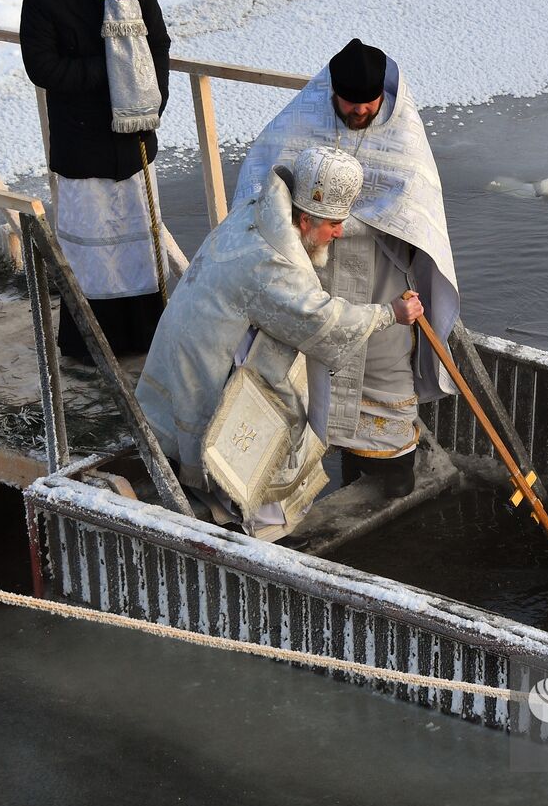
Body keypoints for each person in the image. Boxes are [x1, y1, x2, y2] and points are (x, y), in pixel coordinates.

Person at [137, 146, 424, 538]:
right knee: (270, 421)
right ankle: (255, 523)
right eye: (334, 224)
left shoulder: (261, 209)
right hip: (213, 357)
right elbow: (322, 321)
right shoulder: (277, 260)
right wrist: (390, 313)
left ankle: (202, 478)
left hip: (191, 336)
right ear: (306, 220)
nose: (340, 232)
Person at [233, 39, 459, 498]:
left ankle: (385, 492)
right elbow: (262, 185)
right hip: (315, 275)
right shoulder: (303, 120)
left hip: (381, 280)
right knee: (300, 392)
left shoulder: (403, 132)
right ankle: (291, 507)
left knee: (384, 392)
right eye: (348, 103)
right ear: (332, 92)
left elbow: (417, 210)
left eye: (367, 104)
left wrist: (352, 219)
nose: (358, 111)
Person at [20, 0, 172, 361]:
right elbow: (41, 66)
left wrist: (151, 99)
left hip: (132, 141)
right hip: (81, 141)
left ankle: (146, 334)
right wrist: (108, 72)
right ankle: (89, 342)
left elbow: (157, 46)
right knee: (89, 250)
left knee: (139, 243)